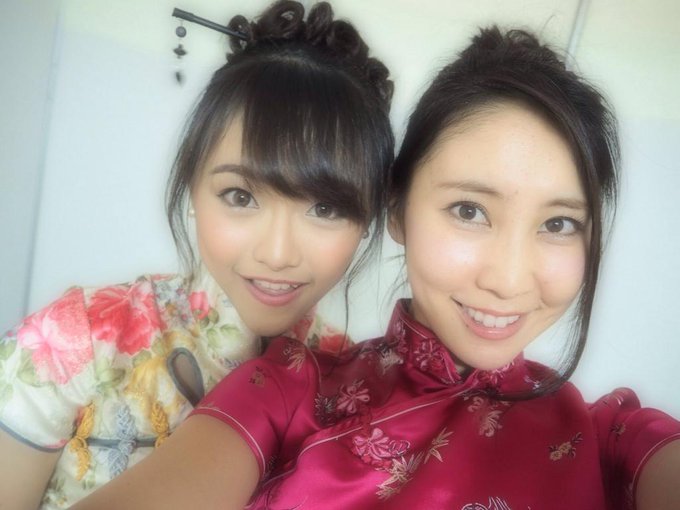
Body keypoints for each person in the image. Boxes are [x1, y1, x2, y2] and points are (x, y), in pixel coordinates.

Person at [72, 26, 680, 510]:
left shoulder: (612, 438)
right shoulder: (286, 391)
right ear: (397, 211)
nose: (508, 279)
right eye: (469, 210)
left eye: (559, 223)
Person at [0, 2, 394, 509]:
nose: (277, 254)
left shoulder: (350, 383)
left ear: (367, 219)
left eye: (325, 207)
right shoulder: (77, 340)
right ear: (192, 189)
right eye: (240, 196)